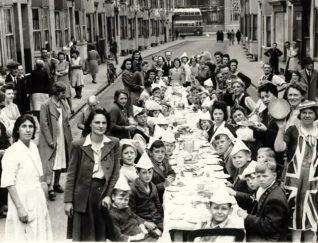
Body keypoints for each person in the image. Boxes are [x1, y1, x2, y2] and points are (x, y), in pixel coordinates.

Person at [64, 108, 120, 241]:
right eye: (97, 122)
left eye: (104, 123)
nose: (101, 126)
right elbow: (71, 175)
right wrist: (68, 201)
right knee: (84, 236)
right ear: (90, 124)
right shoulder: (78, 145)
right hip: (83, 196)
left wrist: (108, 196)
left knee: (102, 235)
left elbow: (115, 174)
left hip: (103, 194)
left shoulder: (114, 143)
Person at [0, 115, 52, 241]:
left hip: (37, 197)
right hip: (21, 199)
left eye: (31, 126)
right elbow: (9, 182)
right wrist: (20, 208)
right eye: (24, 126)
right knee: (23, 235)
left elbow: (39, 178)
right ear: (17, 130)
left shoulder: (34, 148)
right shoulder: (12, 151)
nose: (28, 130)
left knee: (40, 234)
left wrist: (44, 200)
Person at [274, 100, 318, 242]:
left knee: (312, 217)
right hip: (294, 182)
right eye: (304, 112)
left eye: (310, 112)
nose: (307, 115)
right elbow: (279, 148)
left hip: (314, 182)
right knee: (295, 217)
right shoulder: (293, 130)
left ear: (315, 115)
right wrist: (281, 128)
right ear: (300, 115)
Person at [38, 82, 72, 201]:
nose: (64, 94)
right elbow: (44, 123)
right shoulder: (46, 105)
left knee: (61, 160)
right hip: (52, 137)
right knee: (51, 162)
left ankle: (57, 184)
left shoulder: (62, 103)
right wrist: (49, 140)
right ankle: (50, 187)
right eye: (63, 92)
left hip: (62, 136)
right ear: (57, 92)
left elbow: (67, 116)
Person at [239, 161, 289, 241]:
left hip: (270, 238)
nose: (261, 179)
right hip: (262, 230)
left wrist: (246, 217)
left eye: (265, 176)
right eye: (258, 176)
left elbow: (269, 227)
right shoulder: (264, 187)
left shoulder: (275, 198)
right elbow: (253, 200)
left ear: (274, 176)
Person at [129, 152, 163, 238]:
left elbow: (158, 205)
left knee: (170, 230)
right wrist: (145, 222)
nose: (148, 176)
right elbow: (130, 212)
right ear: (137, 173)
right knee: (158, 237)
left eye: (150, 172)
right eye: (144, 173)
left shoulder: (153, 186)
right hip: (143, 222)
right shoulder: (132, 189)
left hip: (156, 219)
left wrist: (161, 218)